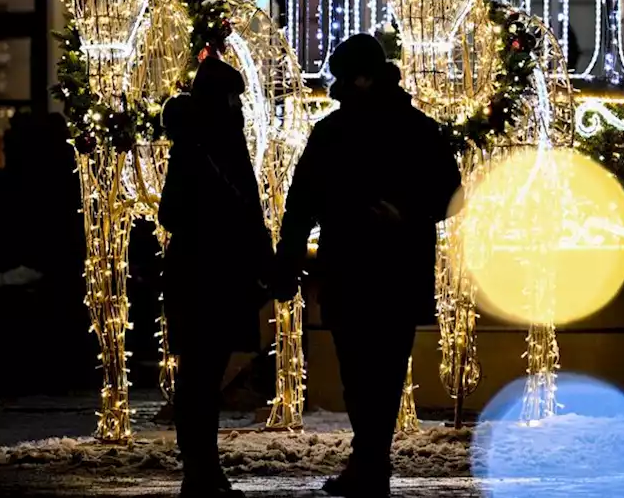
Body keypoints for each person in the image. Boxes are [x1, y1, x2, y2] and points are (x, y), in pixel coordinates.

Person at [272, 34, 462, 498]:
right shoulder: (416, 129)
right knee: (382, 369)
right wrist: (411, 214)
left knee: (361, 369)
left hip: (354, 269)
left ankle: (369, 461)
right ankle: (371, 460)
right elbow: (451, 193)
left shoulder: (336, 133)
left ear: (359, 78)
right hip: (393, 269)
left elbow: (301, 206)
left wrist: (287, 263)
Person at [158, 50, 273, 496]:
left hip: (211, 275)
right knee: (200, 379)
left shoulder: (213, 144)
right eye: (233, 99)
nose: (240, 109)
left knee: (204, 377)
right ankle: (201, 473)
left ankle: (203, 471)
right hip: (205, 277)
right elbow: (176, 212)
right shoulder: (203, 147)